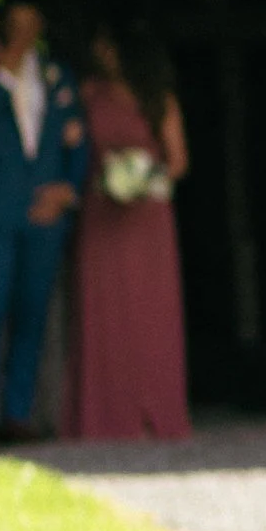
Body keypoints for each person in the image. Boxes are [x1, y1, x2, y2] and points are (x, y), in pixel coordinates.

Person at [0, 3, 89, 446]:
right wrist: (3, 78)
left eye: (34, 23)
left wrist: (67, 188)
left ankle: (18, 413)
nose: (27, 31)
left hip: (43, 215)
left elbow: (79, 137)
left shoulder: (56, 74)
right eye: (18, 24)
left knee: (32, 314)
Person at [65, 25, 191, 444]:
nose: (101, 53)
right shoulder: (88, 93)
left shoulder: (158, 99)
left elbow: (178, 160)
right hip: (103, 211)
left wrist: (141, 179)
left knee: (149, 309)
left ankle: (153, 406)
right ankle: (104, 412)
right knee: (103, 307)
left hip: (148, 215)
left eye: (108, 45)